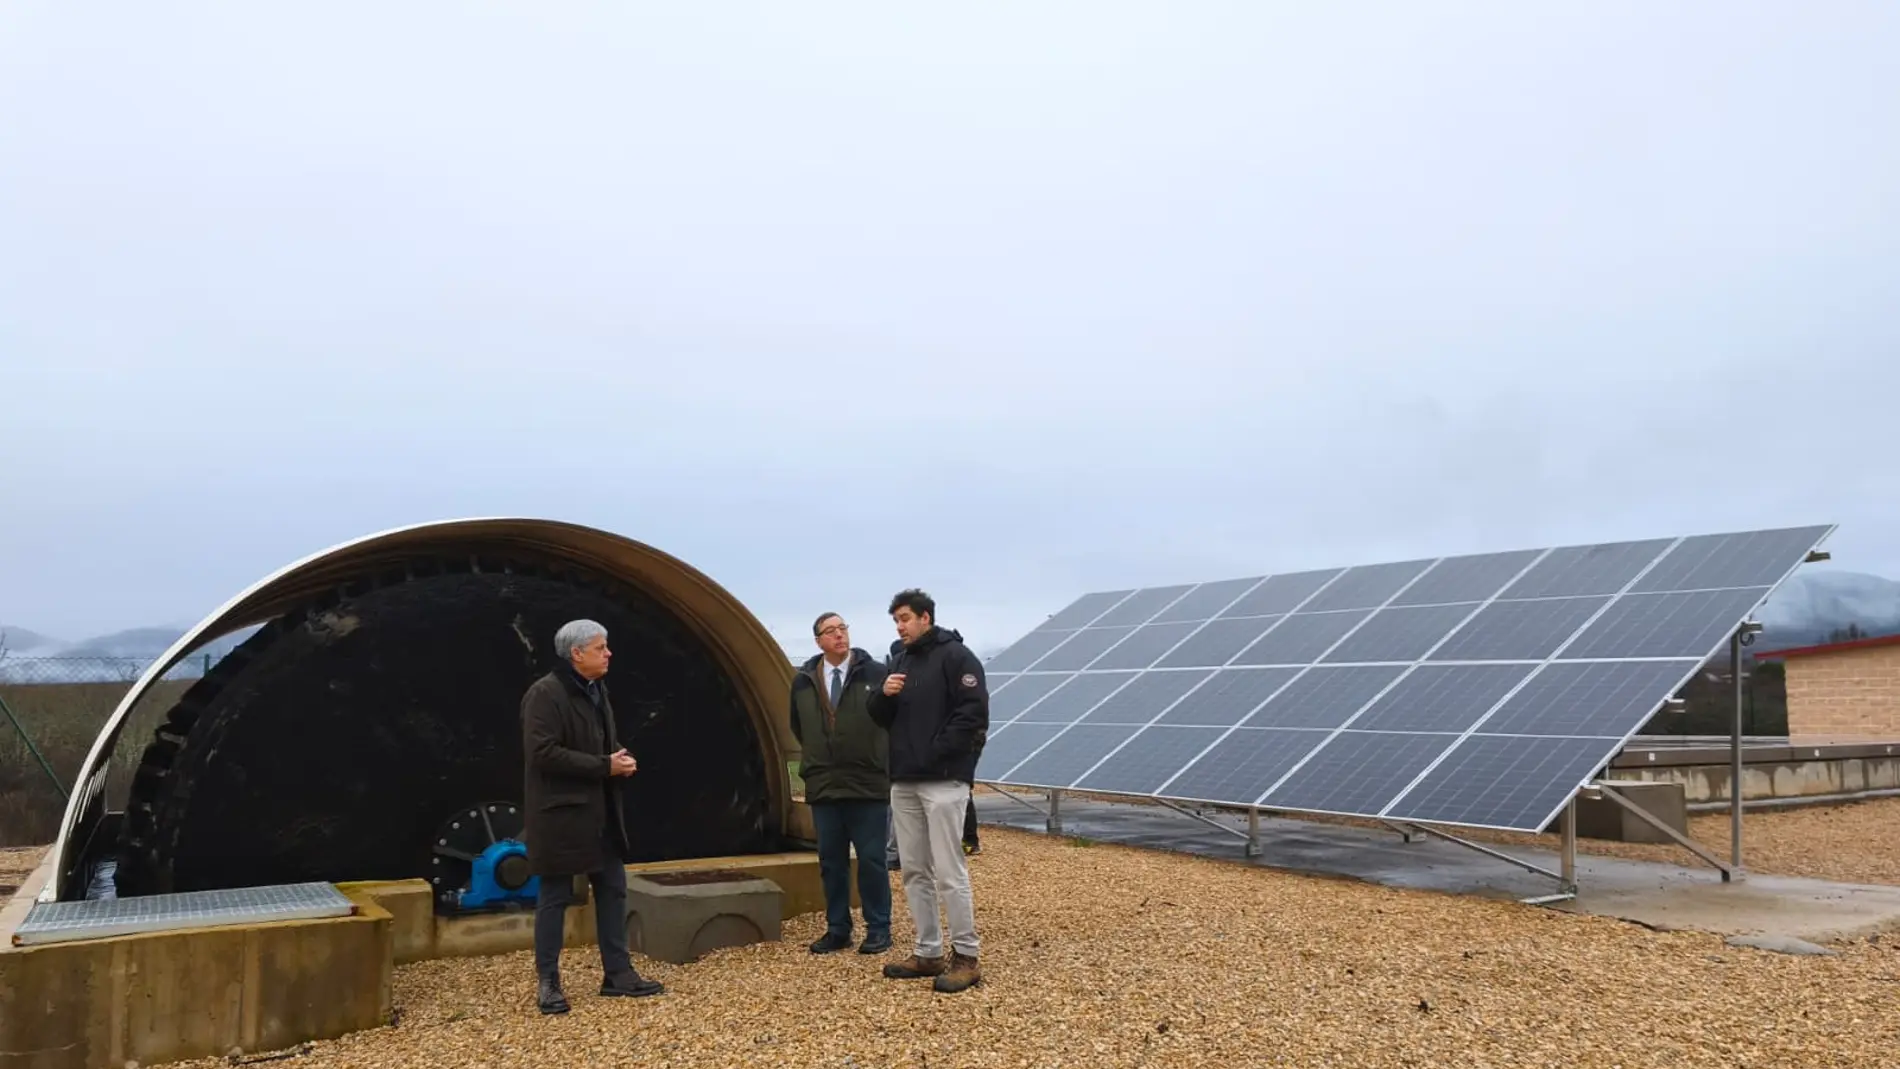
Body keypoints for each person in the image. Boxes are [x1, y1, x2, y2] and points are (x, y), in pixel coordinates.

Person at [520, 619, 665, 1015]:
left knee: (613, 890)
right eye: (601, 647)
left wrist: (619, 757)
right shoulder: (545, 695)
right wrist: (605, 765)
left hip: (601, 813)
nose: (609, 653)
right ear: (576, 653)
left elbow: (601, 741)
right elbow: (542, 753)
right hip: (561, 817)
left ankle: (617, 975)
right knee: (554, 897)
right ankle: (548, 982)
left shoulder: (598, 690)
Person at [867, 588, 989, 993]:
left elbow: (973, 714)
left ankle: (966, 956)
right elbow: (880, 717)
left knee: (949, 871)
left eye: (904, 618)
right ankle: (928, 951)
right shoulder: (899, 661)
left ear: (925, 618)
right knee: (914, 870)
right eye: (896, 621)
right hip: (904, 781)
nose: (900, 627)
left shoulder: (957, 657)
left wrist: (936, 753)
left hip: (942, 780)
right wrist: (882, 696)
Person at [788, 612, 893, 955]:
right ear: (818, 640)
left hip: (867, 782)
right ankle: (838, 928)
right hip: (825, 785)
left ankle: (878, 928)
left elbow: (891, 719)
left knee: (872, 859)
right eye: (830, 631)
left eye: (842, 629)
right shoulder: (803, 680)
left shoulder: (875, 673)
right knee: (831, 862)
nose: (838, 635)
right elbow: (798, 727)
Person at [884, 635, 982, 866]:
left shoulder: (951, 666)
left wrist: (940, 747)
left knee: (953, 803)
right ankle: (968, 840)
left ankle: (966, 840)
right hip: (926, 763)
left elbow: (969, 714)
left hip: (947, 759)